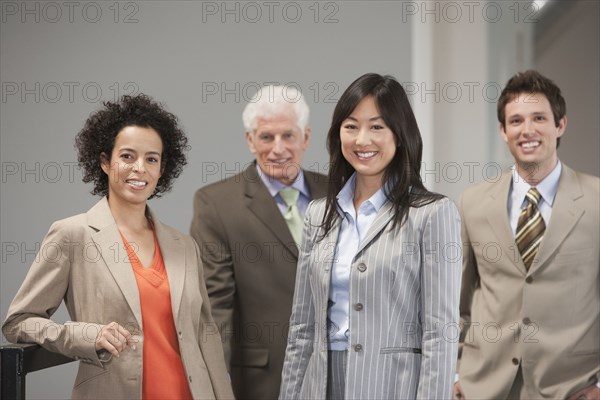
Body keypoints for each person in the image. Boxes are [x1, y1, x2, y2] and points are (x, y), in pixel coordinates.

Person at [2, 94, 234, 400]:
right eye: (127, 156)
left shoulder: (184, 245)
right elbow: (18, 322)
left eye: (151, 159)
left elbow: (207, 336)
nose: (140, 168)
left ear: (162, 169)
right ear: (105, 162)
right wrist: (87, 334)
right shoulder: (73, 235)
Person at [279, 73, 462, 399]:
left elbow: (440, 332)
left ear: (400, 135)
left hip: (393, 386)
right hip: (320, 385)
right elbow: (302, 329)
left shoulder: (433, 213)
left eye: (376, 127)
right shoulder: (318, 214)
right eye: (351, 126)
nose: (362, 139)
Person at [454, 70, 600, 400]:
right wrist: (455, 372)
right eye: (516, 121)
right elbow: (457, 303)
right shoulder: (472, 202)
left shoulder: (596, 201)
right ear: (503, 132)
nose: (528, 130)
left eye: (539, 118)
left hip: (570, 389)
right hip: (483, 388)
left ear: (560, 125)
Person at [190, 85, 328, 399]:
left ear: (305, 138)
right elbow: (215, 308)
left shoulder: (338, 192)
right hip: (260, 382)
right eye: (267, 137)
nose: (278, 148)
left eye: (288, 136)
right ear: (250, 140)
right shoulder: (216, 204)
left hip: (339, 373)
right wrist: (214, 387)